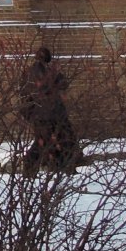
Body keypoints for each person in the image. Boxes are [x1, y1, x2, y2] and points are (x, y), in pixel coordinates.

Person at [19, 46, 81, 174]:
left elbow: (25, 95)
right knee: (60, 138)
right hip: (51, 114)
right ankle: (63, 166)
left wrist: (29, 114)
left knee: (48, 140)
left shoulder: (29, 73)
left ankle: (62, 166)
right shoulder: (45, 72)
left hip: (43, 114)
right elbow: (61, 83)